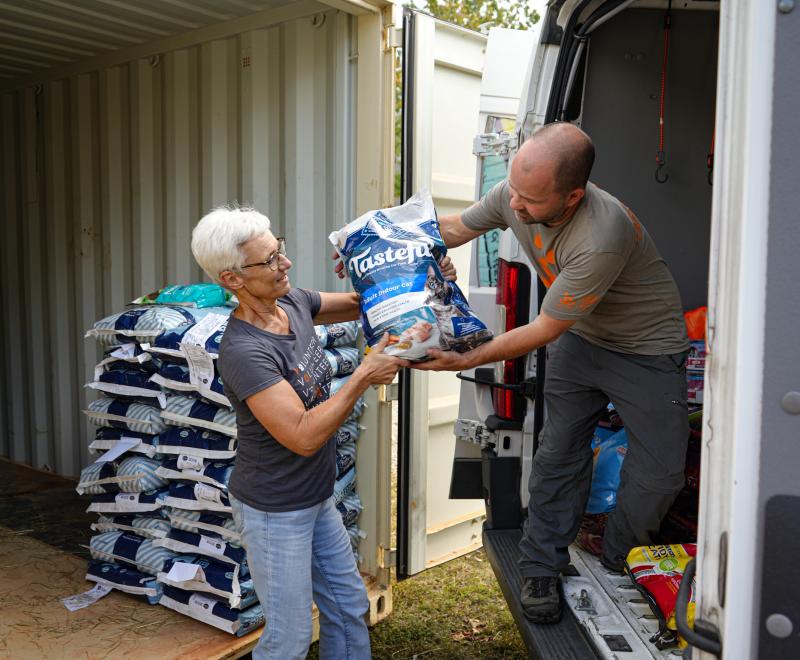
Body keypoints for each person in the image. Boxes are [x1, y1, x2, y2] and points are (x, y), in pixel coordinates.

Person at [408, 122, 690, 623]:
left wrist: (466, 357)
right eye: (513, 190)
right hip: (582, 339)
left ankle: (619, 560)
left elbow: (544, 328)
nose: (515, 205)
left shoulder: (602, 234)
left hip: (646, 347)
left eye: (530, 199)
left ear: (573, 196)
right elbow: (454, 229)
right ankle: (541, 564)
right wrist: (381, 242)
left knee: (659, 473)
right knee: (560, 450)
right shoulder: (516, 191)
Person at [191, 204, 404, 659]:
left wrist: (409, 275)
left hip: (314, 495)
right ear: (232, 279)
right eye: (268, 260)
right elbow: (304, 435)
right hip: (274, 511)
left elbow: (358, 304)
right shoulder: (245, 351)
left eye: (279, 249)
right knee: (287, 639)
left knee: (348, 607)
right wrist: (364, 374)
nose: (284, 263)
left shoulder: (290, 303)